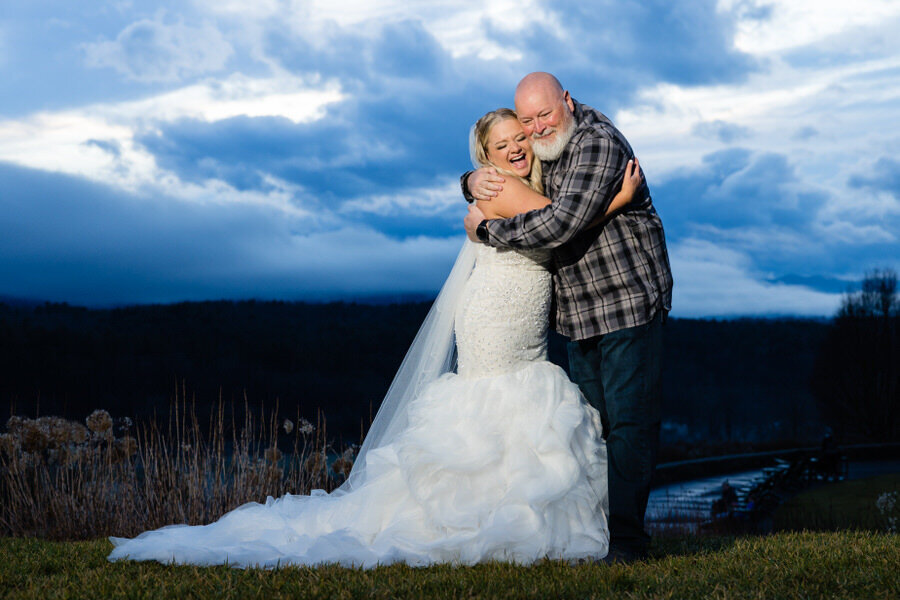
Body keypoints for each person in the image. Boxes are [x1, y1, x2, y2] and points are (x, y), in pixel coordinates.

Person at [106, 110, 643, 569]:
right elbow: (560, 226)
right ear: (487, 156)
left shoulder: (507, 183)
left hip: (515, 307)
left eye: (520, 138)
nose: (516, 148)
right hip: (497, 313)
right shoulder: (505, 188)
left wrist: (471, 187)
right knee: (501, 398)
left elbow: (551, 218)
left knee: (509, 398)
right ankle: (486, 514)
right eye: (501, 145)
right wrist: (618, 200)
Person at [463, 72, 673, 562]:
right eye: (527, 120)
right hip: (579, 316)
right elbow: (513, 179)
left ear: (569, 102)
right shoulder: (548, 148)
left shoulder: (595, 143)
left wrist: (491, 230)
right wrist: (469, 180)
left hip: (625, 303)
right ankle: (596, 533)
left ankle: (626, 543)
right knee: (590, 431)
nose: (534, 130)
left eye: (543, 115)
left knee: (628, 427)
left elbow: (559, 224)